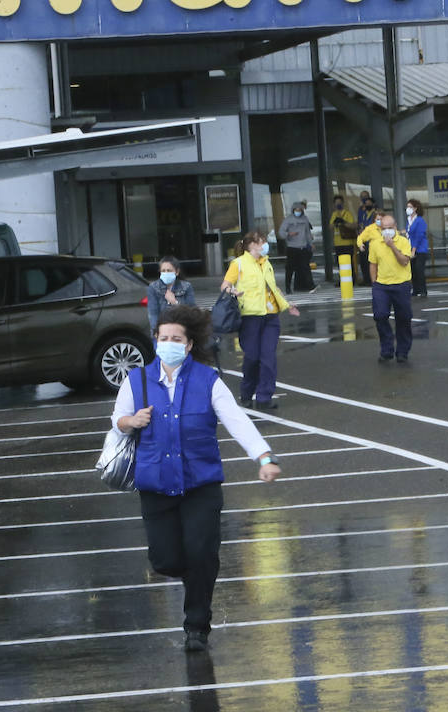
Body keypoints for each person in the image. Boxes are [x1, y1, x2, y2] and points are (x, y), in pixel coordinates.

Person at [110, 304, 283, 653]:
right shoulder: (137, 380)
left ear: (188, 345)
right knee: (166, 560)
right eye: (163, 338)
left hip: (200, 485)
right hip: (156, 485)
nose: (169, 343)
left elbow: (237, 420)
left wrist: (263, 457)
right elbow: (117, 419)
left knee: (202, 553)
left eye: (176, 338)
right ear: (155, 341)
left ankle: (197, 625)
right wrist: (132, 421)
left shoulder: (208, 380)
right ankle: (197, 574)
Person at [222, 231, 301, 410]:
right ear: (252, 245)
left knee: (268, 358)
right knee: (252, 357)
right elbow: (225, 285)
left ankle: (265, 397)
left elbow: (272, 287)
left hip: (271, 317)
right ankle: (247, 393)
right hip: (250, 318)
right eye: (262, 241)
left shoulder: (266, 263)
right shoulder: (239, 263)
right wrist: (232, 291)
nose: (265, 244)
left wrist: (287, 304)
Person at [359, 212, 414, 362]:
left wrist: (392, 246)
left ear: (395, 227)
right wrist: (374, 283)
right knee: (380, 315)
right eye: (384, 228)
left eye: (389, 227)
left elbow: (404, 261)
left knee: (403, 318)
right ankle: (387, 349)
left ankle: (402, 351)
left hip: (401, 284)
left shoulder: (403, 241)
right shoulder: (375, 244)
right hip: (381, 286)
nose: (387, 231)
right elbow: (373, 264)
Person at [147, 257, 197, 334]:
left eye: (169, 271)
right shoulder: (153, 287)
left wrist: (175, 302)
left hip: (182, 330)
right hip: (162, 331)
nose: (166, 273)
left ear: (177, 272)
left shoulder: (186, 286)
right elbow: (153, 313)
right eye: (163, 271)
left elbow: (191, 312)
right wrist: (156, 332)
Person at [277, 201, 316, 293]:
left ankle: (310, 286)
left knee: (305, 267)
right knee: (290, 268)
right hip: (292, 247)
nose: (298, 211)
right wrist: (289, 234)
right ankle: (287, 287)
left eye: (299, 210)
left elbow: (307, 233)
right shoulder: (288, 220)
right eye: (296, 210)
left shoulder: (305, 219)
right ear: (293, 210)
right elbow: (281, 232)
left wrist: (310, 243)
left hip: (302, 247)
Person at [328, 194, 357, 284]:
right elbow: (330, 227)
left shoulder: (347, 213)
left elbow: (353, 226)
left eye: (340, 203)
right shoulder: (334, 214)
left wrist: (343, 222)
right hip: (338, 243)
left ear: (343, 203)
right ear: (334, 204)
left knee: (349, 263)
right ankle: (343, 280)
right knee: (340, 263)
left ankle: (351, 280)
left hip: (347, 242)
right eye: (337, 203)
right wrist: (335, 222)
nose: (338, 205)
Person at [405, 198, 430, 298]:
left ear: (415, 208)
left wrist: (414, 249)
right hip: (411, 248)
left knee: (419, 270)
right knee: (413, 270)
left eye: (410, 207)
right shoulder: (409, 220)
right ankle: (415, 290)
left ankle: (423, 290)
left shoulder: (419, 221)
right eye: (407, 207)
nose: (408, 209)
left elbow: (419, 235)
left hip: (420, 249)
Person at [356, 192, 377, 284]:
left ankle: (372, 279)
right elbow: (360, 224)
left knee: (371, 261)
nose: (367, 205)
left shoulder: (375, 214)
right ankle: (366, 279)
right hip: (364, 239)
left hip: (372, 240)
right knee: (363, 261)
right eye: (366, 203)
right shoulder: (363, 213)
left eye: (369, 203)